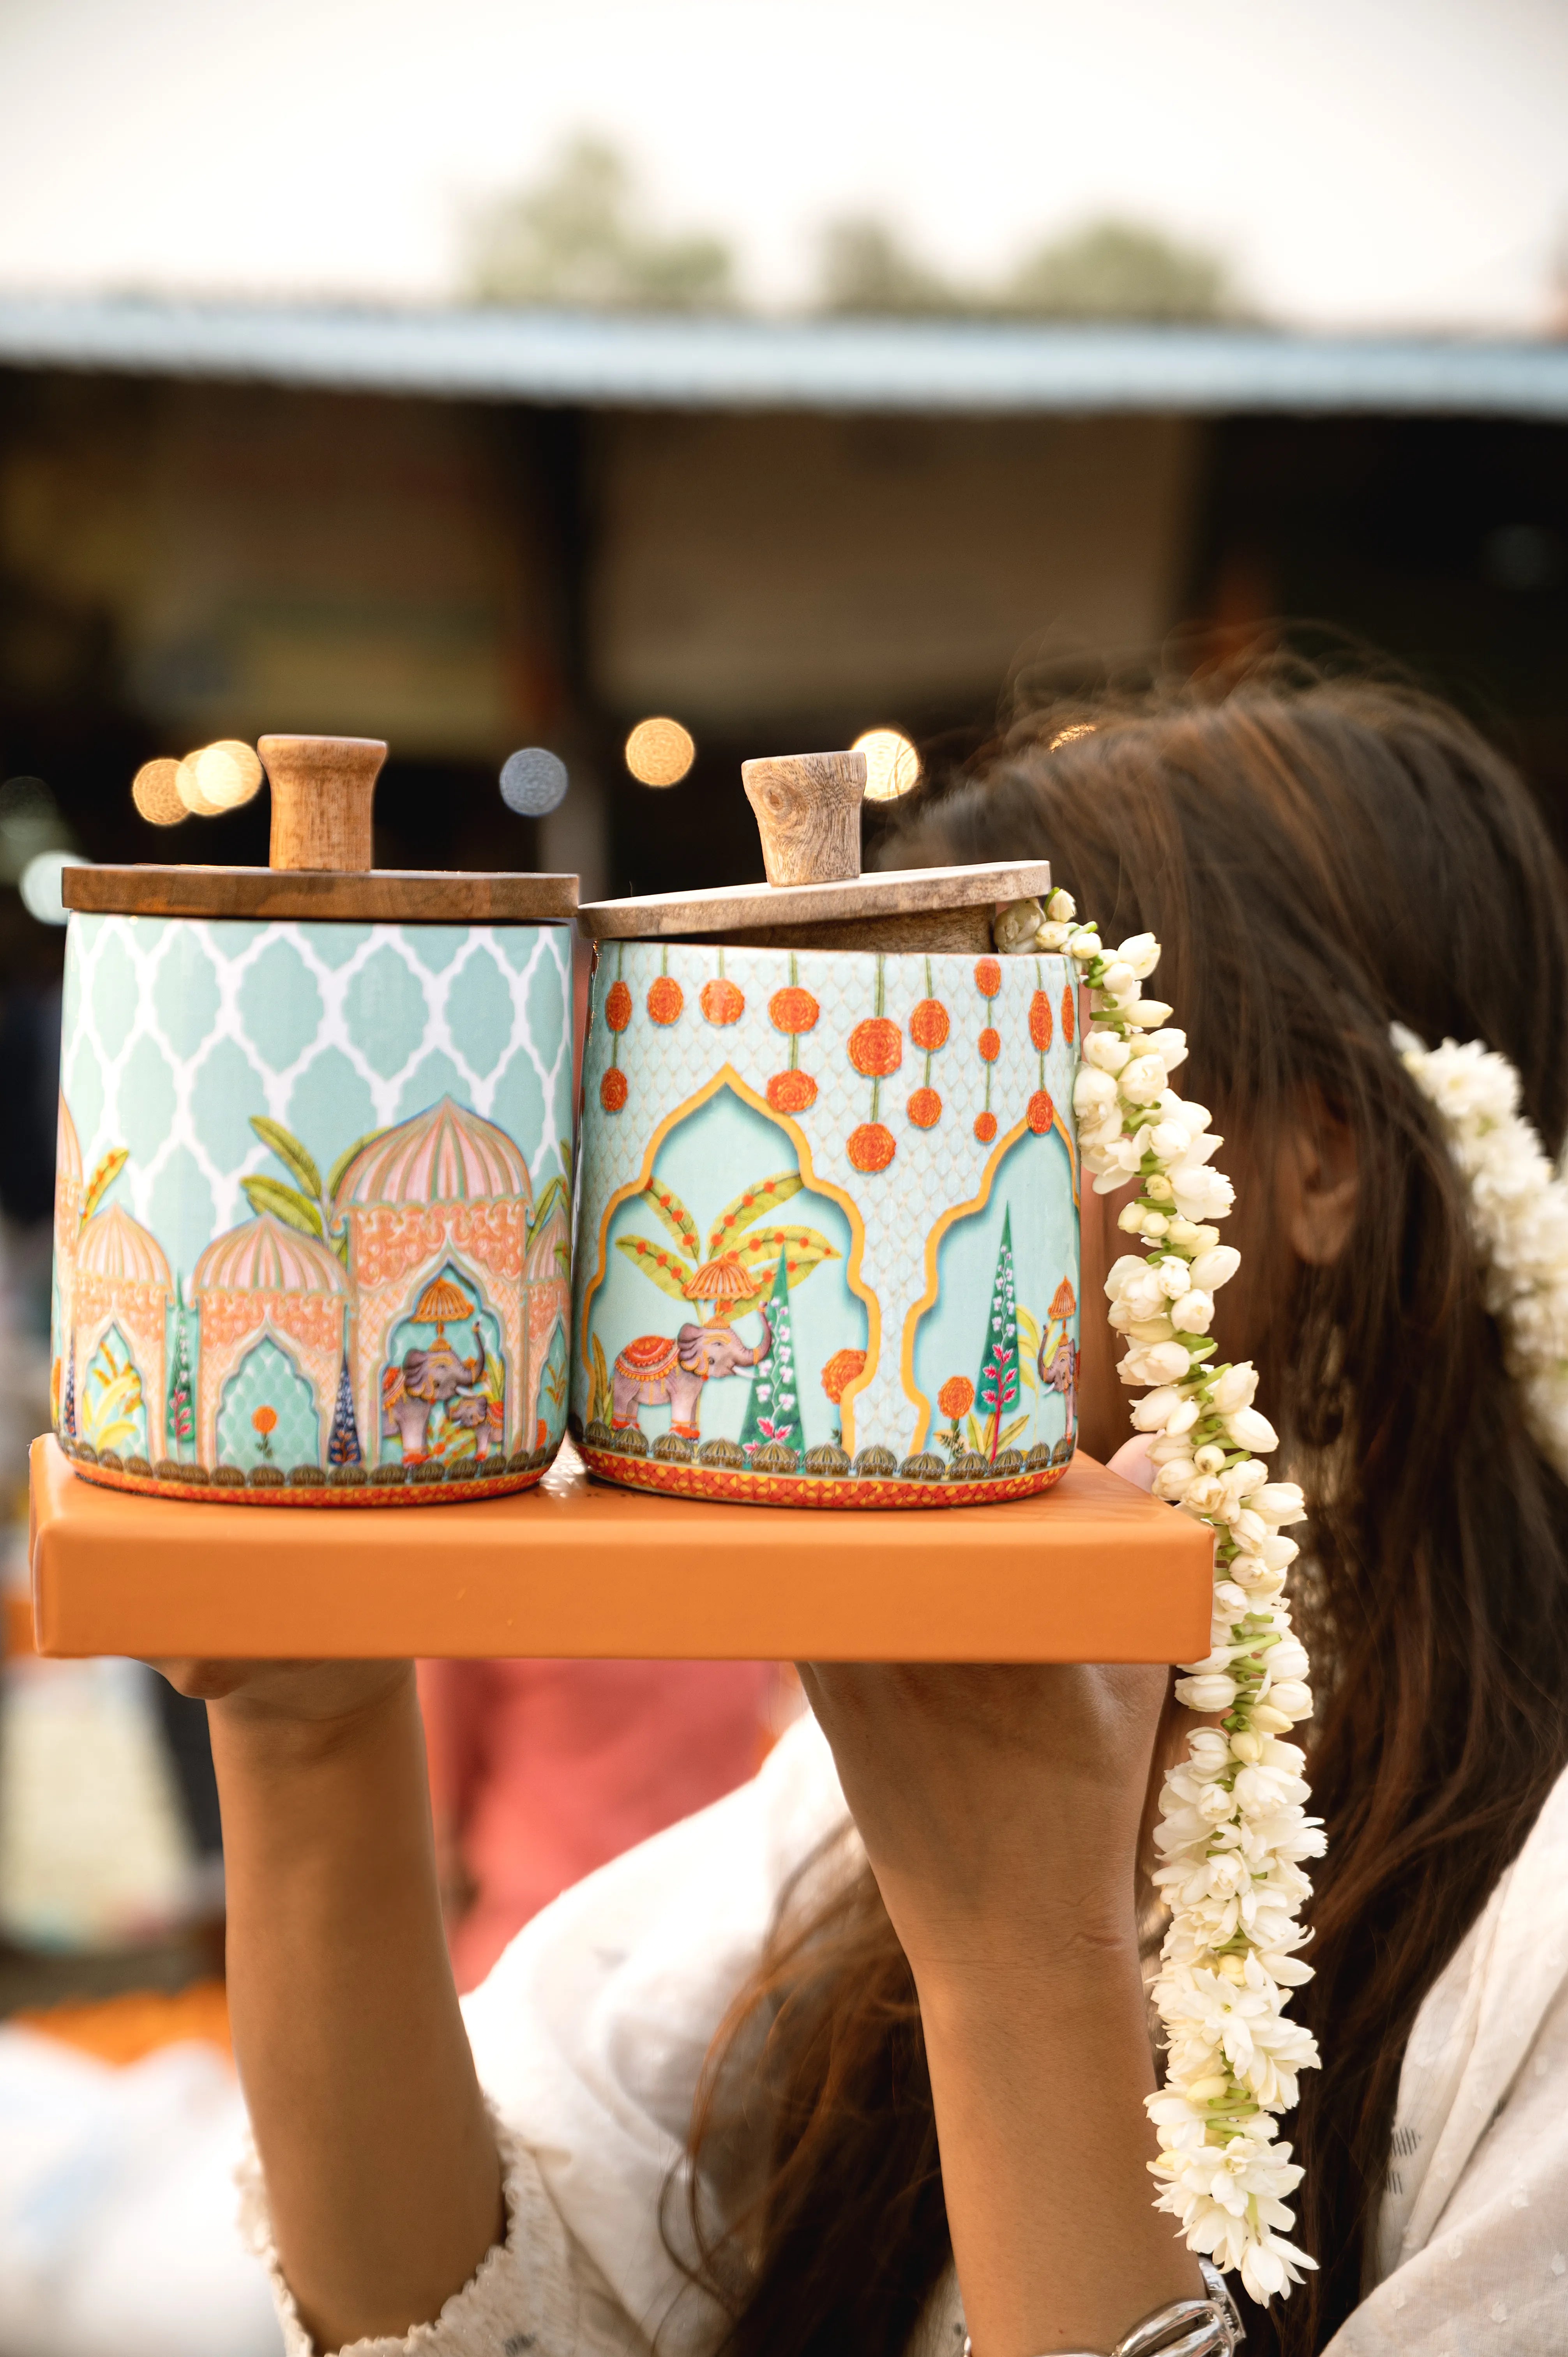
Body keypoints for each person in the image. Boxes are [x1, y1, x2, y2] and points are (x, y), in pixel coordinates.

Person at [163, 666, 1568, 2357]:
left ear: (1317, 1160)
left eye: (1006, 1063)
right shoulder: (902, 1754)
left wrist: (1020, 1964)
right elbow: (470, 2310)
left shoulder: (1535, 1921)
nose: (867, 1166)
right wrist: (310, 1733)